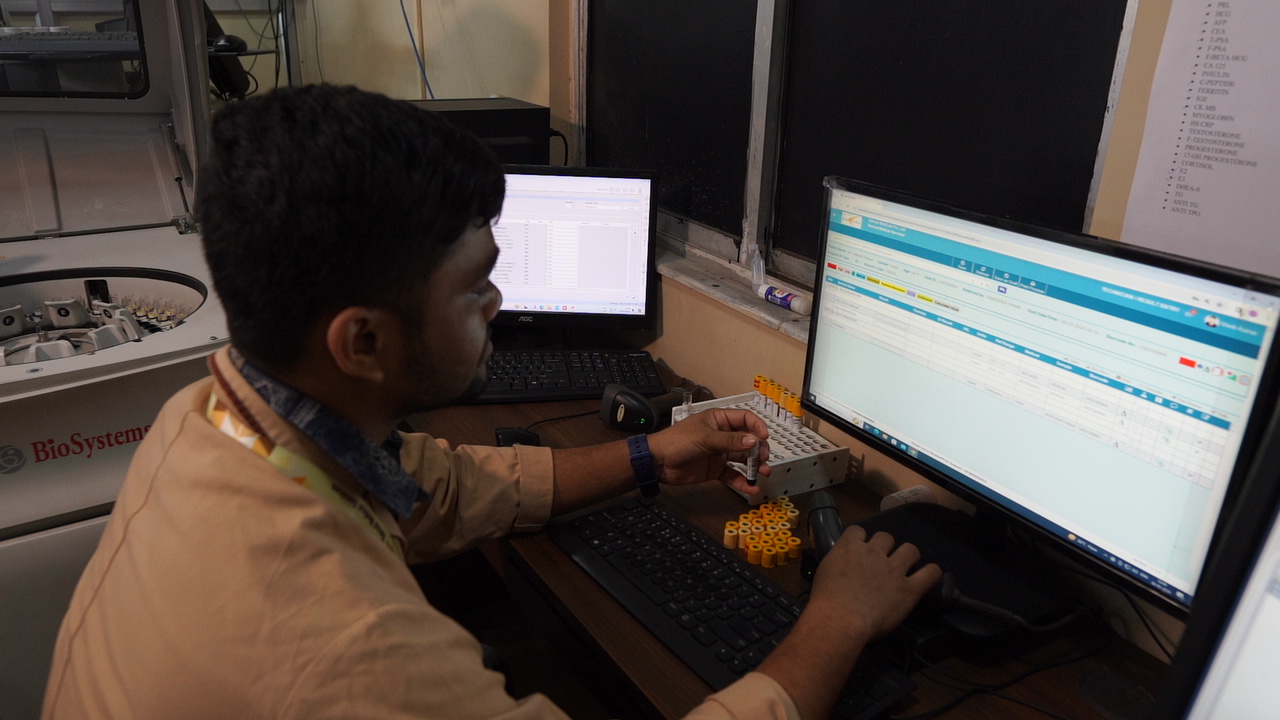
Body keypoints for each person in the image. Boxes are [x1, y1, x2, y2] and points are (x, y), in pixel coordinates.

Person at [42, 84, 940, 720]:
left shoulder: (206, 419)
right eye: (476, 287)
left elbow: (429, 486)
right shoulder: (348, 657)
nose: (499, 306)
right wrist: (834, 624)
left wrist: (646, 457)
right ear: (364, 342)